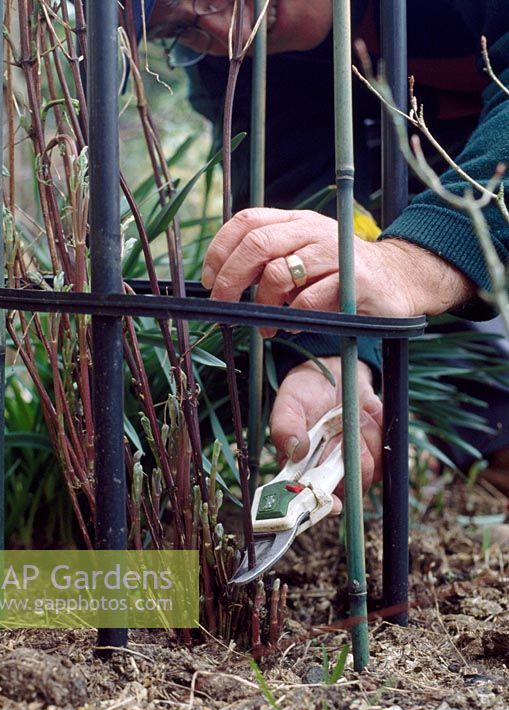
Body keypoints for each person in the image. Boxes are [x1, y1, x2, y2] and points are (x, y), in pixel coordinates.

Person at [139, 1, 509, 494]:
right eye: (175, 27)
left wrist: (413, 263)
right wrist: (331, 352)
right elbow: (302, 193)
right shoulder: (239, 64)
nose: (225, 27)